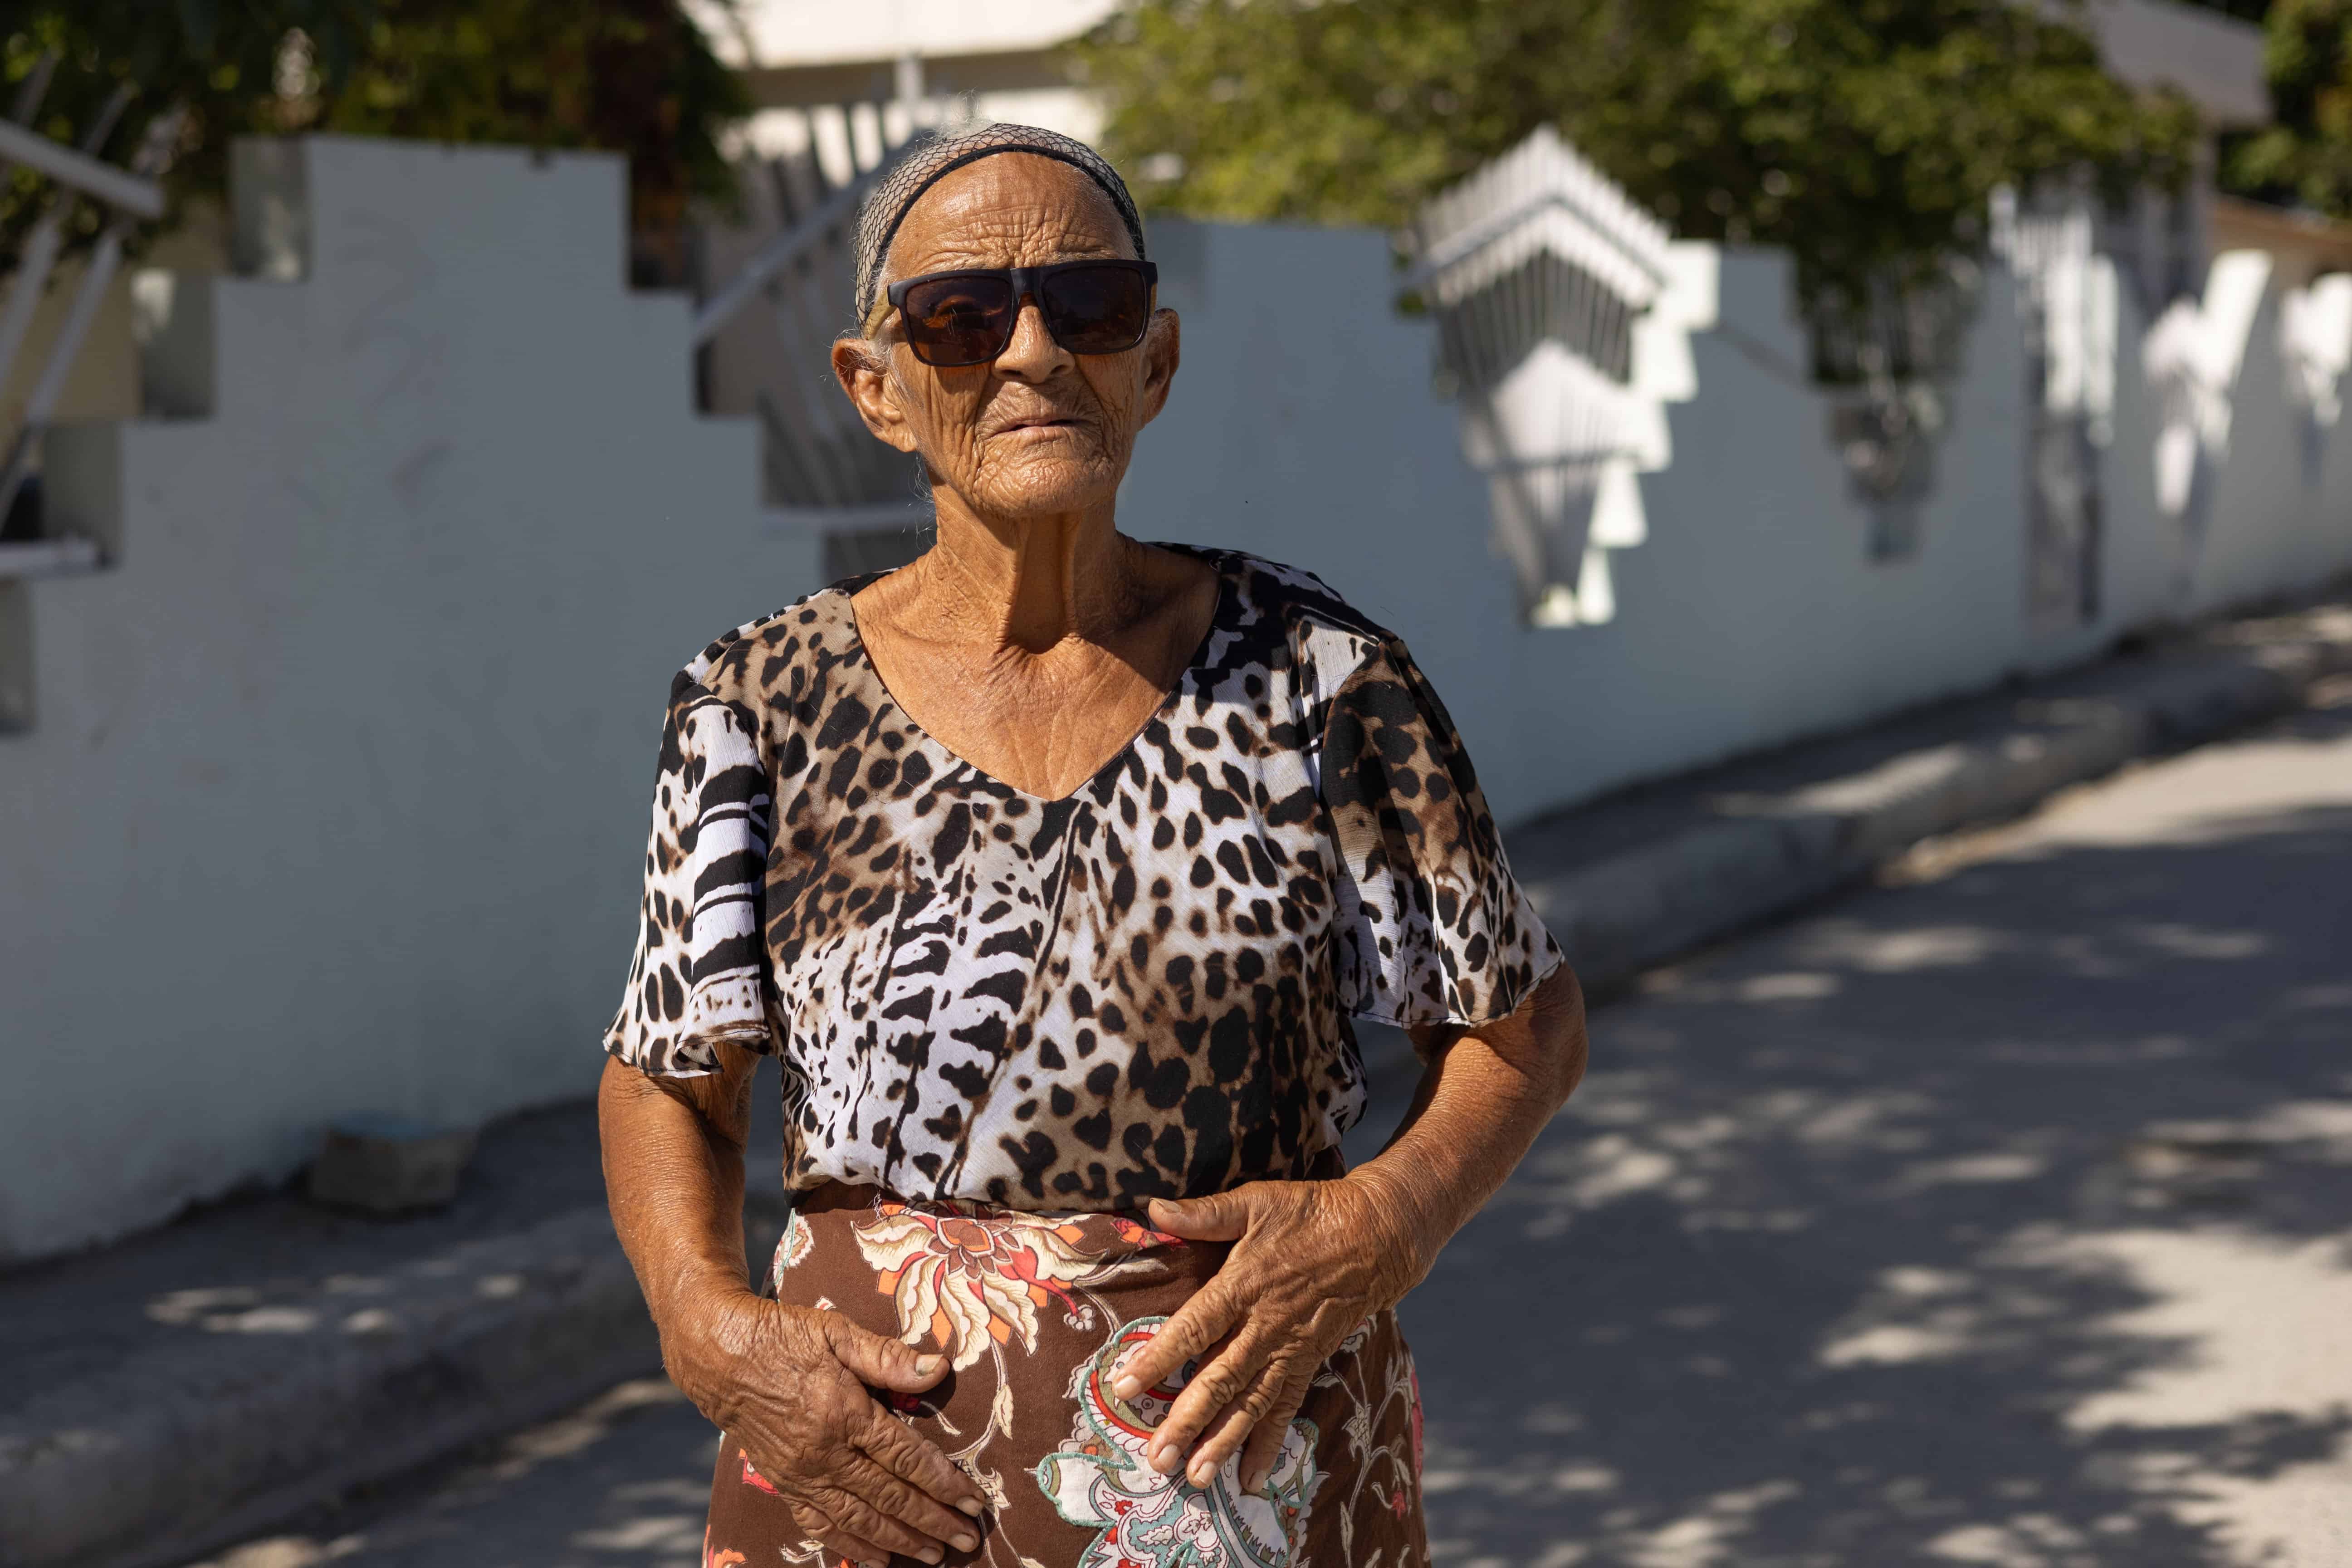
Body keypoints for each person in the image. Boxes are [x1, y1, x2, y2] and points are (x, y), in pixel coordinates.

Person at [597, 123, 1588, 1568]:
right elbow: (671, 1067)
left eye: (1090, 305)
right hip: (863, 1483)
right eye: (958, 316)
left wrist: (1388, 1216)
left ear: (1155, 362)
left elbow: (1527, 1018)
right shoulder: (757, 702)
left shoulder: (1315, 675)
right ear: (874, 389)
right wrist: (704, 1326)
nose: (1031, 353)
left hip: (1251, 1470)